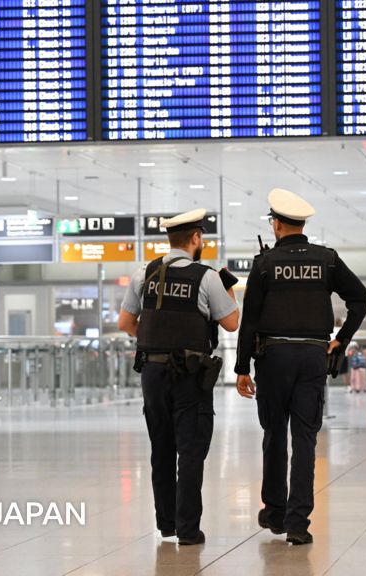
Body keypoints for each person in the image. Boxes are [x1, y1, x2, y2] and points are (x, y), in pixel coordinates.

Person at [234, 189, 366, 545]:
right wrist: (341, 337)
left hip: (273, 357)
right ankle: (298, 524)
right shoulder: (327, 259)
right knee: (305, 438)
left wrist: (241, 367)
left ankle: (275, 512)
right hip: (313, 356)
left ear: (276, 225)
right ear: (301, 224)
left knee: (274, 435)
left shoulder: (264, 264)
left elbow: (249, 320)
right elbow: (360, 298)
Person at [118, 208, 240, 546]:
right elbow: (231, 323)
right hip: (189, 375)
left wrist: (158, 336)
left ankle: (167, 523)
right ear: (196, 238)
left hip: (152, 373)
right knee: (190, 449)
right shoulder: (208, 276)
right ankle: (188, 529)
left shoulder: (145, 273)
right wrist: (229, 289)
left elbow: (126, 324)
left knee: (162, 447)